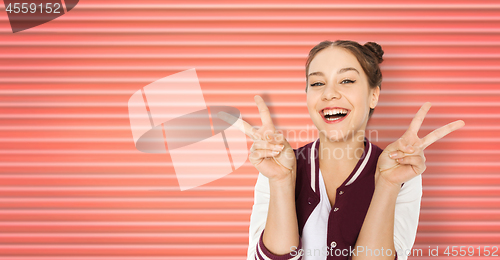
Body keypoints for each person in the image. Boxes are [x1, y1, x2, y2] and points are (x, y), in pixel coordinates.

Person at [218, 40, 465, 260]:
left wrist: (387, 185)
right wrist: (282, 181)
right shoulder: (276, 166)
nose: (329, 93)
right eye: (317, 83)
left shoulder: (402, 171)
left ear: (373, 96)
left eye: (346, 80)